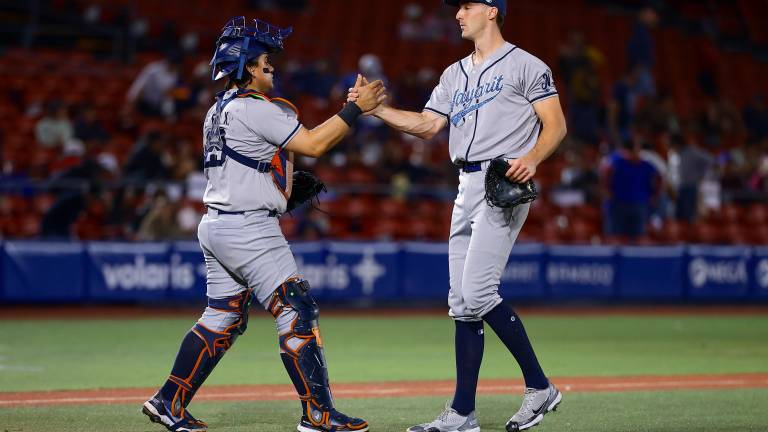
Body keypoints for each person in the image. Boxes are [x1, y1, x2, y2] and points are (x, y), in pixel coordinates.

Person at [141, 17, 384, 432]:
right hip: (247, 228)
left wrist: (277, 191)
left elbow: (253, 164)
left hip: (218, 224)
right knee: (296, 307)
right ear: (247, 65)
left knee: (223, 316)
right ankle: (318, 414)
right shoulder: (255, 107)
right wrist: (354, 109)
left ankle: (169, 401)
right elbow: (315, 144)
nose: (271, 63)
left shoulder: (217, 110)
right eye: (264, 58)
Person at [349, 1, 566, 431]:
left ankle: (540, 387)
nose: (457, 14)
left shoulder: (527, 65)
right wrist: (376, 111)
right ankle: (463, 413)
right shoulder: (454, 74)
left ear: (492, 10)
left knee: (479, 292)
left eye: (466, 5)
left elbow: (555, 125)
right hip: (466, 184)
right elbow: (428, 125)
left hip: (502, 181)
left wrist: (532, 158)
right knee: (463, 304)